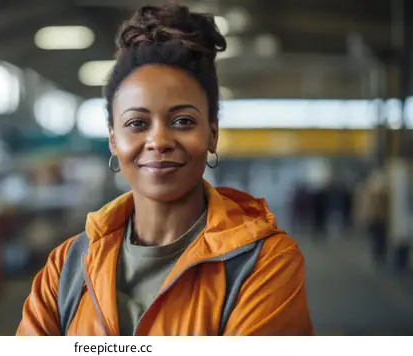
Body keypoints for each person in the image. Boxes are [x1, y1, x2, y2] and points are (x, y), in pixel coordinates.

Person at [16, 3, 313, 336]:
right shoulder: (67, 267)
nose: (158, 140)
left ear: (212, 133)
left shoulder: (264, 263)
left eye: (182, 121)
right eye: (137, 123)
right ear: (114, 140)